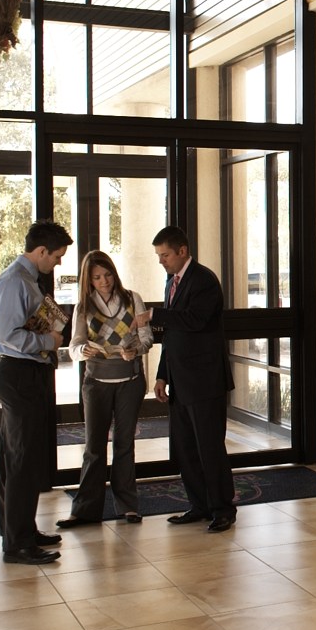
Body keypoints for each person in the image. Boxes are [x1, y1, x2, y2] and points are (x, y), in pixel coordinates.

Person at [132, 226, 235, 532]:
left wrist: (155, 315)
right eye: (158, 256)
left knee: (210, 448)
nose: (161, 261)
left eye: (165, 255)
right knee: (186, 448)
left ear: (182, 251)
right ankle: (199, 505)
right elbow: (174, 336)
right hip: (180, 381)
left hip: (205, 382)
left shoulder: (204, 280)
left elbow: (195, 320)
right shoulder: (172, 282)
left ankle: (222, 509)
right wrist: (163, 374)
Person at [0, 219, 72, 565]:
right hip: (18, 373)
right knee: (21, 461)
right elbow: (7, 333)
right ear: (40, 251)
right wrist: (49, 340)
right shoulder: (13, 282)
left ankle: (20, 529)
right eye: (56, 257)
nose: (58, 263)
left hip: (29, 373)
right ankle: (18, 543)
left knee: (18, 457)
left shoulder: (27, 279)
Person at [58, 250, 152, 528]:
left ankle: (128, 506)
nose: (104, 281)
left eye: (108, 275)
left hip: (129, 383)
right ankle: (85, 510)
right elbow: (72, 347)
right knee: (94, 448)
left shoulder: (132, 298)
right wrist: (82, 350)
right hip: (96, 384)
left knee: (125, 445)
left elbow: (146, 338)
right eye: (97, 277)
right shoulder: (83, 307)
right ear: (89, 280)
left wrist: (135, 349)